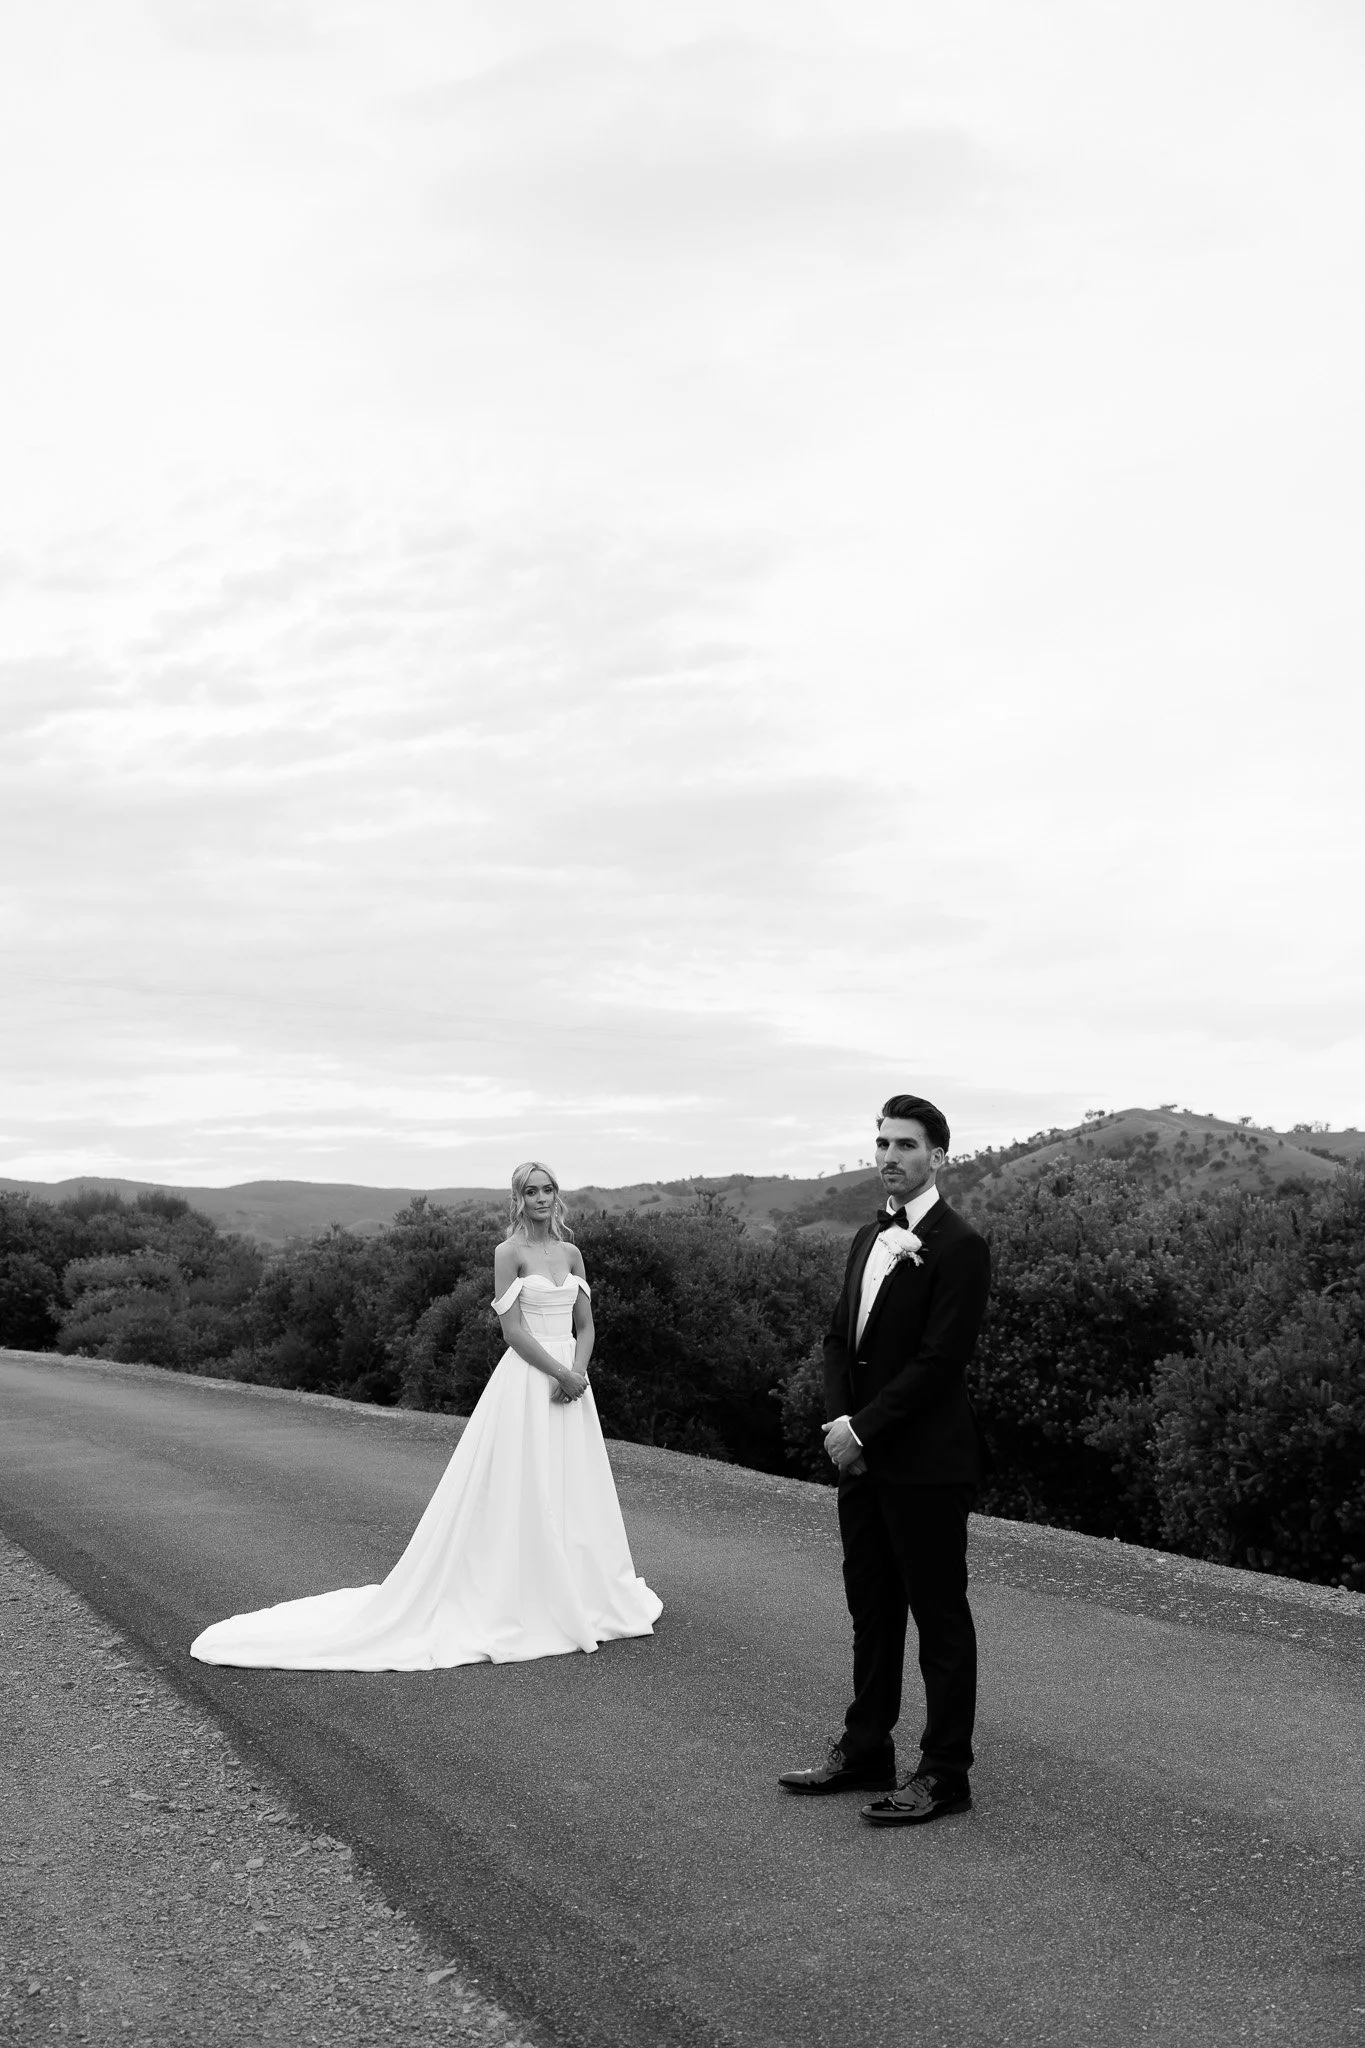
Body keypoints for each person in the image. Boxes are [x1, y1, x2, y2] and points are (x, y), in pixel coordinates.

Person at [191, 1161, 661, 1669]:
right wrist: (557, 1374)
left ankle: (581, 1587)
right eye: (532, 1191)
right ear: (518, 1198)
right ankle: (522, 1590)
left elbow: (585, 1324)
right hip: (530, 1378)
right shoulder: (509, 1253)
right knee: (524, 1480)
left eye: (548, 1189)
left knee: (574, 1482)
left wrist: (578, 1372)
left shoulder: (571, 1253)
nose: (542, 1198)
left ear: (557, 1196)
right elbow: (513, 1332)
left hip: (573, 1379)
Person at [779, 1094, 991, 1825]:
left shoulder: (960, 1246)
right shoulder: (865, 1240)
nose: (889, 1157)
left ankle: (943, 1772)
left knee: (939, 1619)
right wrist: (843, 1426)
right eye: (880, 1144)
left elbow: (939, 1362)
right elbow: (839, 1338)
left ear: (938, 1156)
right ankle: (865, 1746)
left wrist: (862, 1431)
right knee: (871, 1612)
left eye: (904, 1145)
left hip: (926, 1465)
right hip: (861, 1460)